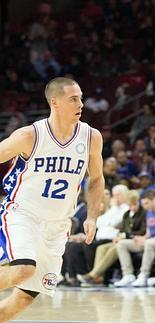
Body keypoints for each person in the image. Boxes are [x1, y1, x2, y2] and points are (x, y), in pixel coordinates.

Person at [0, 77, 104, 321]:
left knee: (25, 297)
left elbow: (97, 179)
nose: (81, 103)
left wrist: (92, 216)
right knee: (23, 269)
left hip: (58, 224)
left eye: (80, 98)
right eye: (73, 99)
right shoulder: (30, 135)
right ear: (54, 103)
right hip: (22, 214)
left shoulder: (91, 137)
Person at [114, 189, 155, 287]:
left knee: (149, 243)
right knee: (122, 244)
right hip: (151, 241)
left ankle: (143, 275)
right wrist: (141, 238)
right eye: (143, 204)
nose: (145, 206)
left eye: (147, 203)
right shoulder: (149, 212)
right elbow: (148, 233)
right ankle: (128, 275)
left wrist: (146, 240)